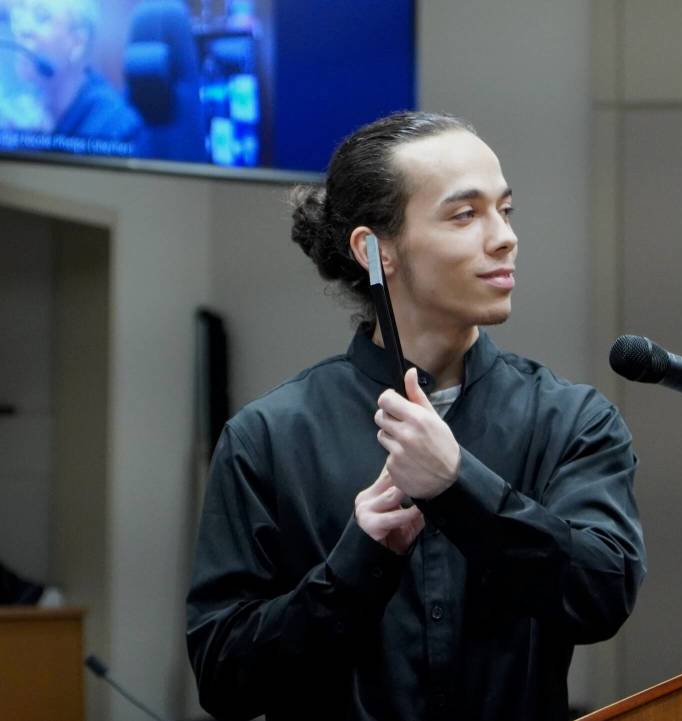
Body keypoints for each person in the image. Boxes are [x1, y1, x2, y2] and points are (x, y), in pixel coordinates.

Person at [186, 111, 646, 721]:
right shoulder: (268, 436)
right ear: (375, 251)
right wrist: (356, 565)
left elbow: (602, 596)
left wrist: (459, 486)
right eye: (465, 214)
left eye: (505, 210)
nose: (504, 237)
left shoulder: (571, 418)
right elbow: (224, 681)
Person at [7, 0, 141, 141]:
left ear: (78, 42)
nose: (23, 28)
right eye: (21, 14)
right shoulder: (21, 108)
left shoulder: (115, 126)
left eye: (41, 17)